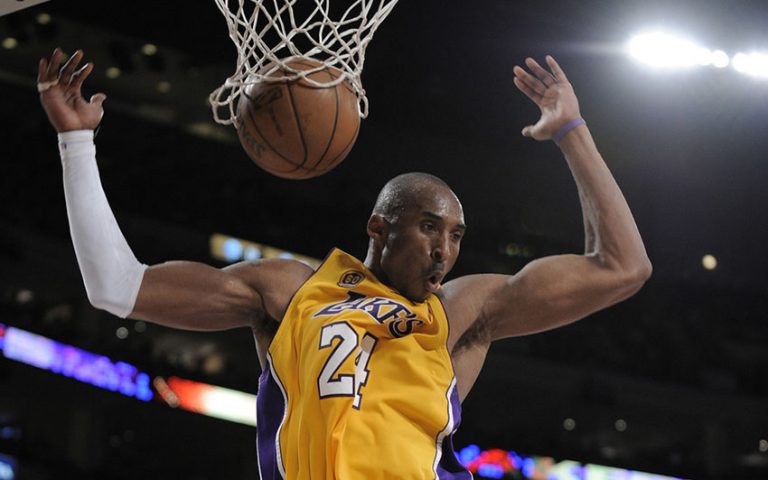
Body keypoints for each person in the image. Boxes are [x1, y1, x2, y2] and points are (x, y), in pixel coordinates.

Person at [38, 47, 651, 479]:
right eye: (429, 227)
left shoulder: (461, 311)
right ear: (378, 228)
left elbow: (622, 267)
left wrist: (571, 129)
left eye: (457, 236)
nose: (444, 249)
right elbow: (115, 286)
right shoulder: (290, 290)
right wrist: (76, 141)